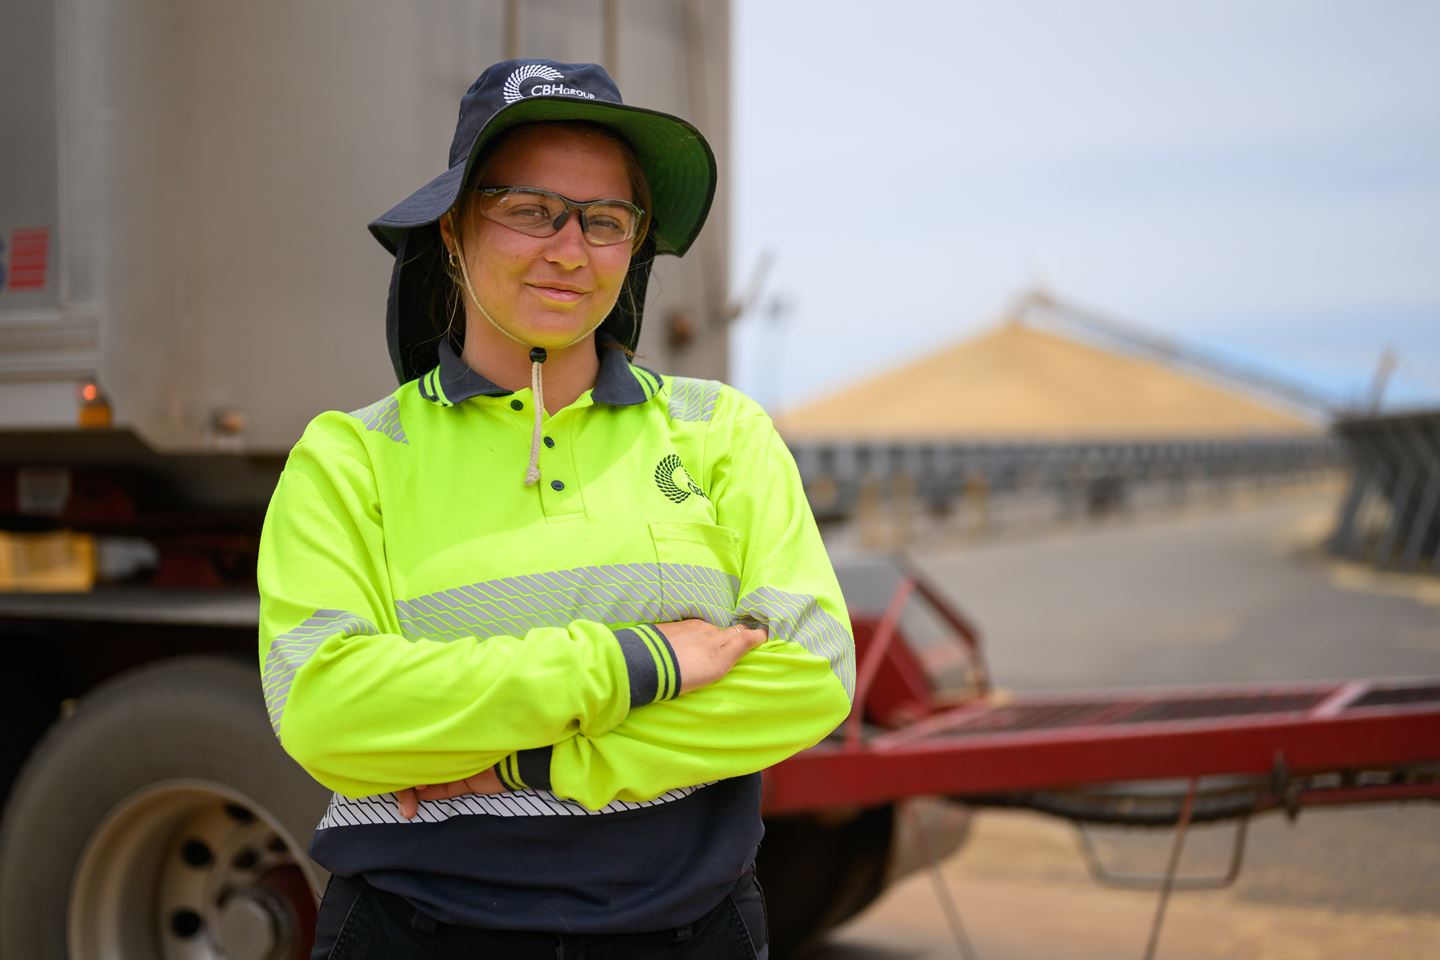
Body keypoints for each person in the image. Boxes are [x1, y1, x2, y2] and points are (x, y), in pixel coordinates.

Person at [257, 58, 854, 959]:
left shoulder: (719, 432)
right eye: (530, 211)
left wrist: (529, 764)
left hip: (691, 928)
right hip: (416, 929)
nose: (570, 250)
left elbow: (810, 677)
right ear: (454, 228)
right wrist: (637, 661)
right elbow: (328, 710)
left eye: (605, 221)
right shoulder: (352, 457)